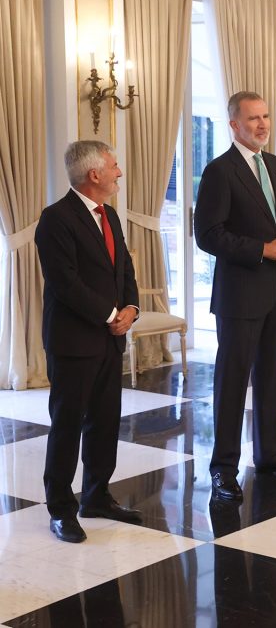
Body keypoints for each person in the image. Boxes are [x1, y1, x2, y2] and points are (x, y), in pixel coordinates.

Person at [194, 91, 276, 503]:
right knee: (232, 384)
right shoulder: (219, 171)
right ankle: (223, 469)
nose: (262, 124)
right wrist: (263, 250)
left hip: (274, 293)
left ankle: (269, 454)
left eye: (265, 116)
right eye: (253, 119)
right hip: (239, 296)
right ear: (234, 125)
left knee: (271, 379)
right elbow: (207, 235)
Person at [34, 140, 141, 543]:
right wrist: (110, 315)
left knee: (105, 421)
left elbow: (124, 268)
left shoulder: (109, 215)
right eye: (114, 166)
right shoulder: (55, 219)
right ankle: (61, 508)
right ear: (94, 174)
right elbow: (65, 284)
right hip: (73, 340)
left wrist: (130, 307)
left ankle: (97, 495)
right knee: (67, 424)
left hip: (109, 340)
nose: (119, 172)